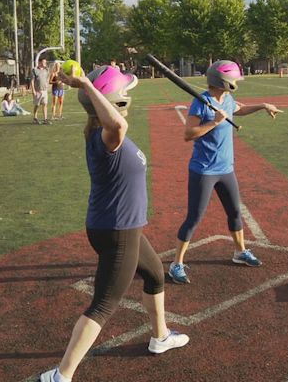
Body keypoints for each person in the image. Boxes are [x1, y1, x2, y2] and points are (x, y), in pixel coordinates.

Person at [39, 65, 189, 382]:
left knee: (155, 275)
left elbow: (115, 121)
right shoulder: (109, 135)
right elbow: (118, 124)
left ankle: (160, 337)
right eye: (126, 91)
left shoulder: (100, 131)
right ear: (116, 99)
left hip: (123, 227)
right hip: (117, 231)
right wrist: (86, 85)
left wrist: (87, 88)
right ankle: (60, 376)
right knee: (104, 304)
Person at [168, 60, 283, 285]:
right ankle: (176, 264)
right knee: (194, 218)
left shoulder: (227, 99)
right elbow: (188, 133)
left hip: (226, 169)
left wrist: (262, 105)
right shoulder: (201, 103)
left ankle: (240, 252)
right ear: (224, 82)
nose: (237, 82)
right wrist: (215, 122)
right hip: (204, 170)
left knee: (234, 212)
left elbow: (238, 109)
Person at [31, 57, 50, 125]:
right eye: (43, 62)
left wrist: (47, 85)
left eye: (45, 62)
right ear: (39, 62)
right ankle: (35, 118)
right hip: (38, 91)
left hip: (44, 90)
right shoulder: (34, 70)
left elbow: (47, 78)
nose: (45, 63)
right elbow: (32, 81)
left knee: (45, 104)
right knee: (37, 105)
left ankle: (45, 119)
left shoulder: (46, 70)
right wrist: (33, 90)